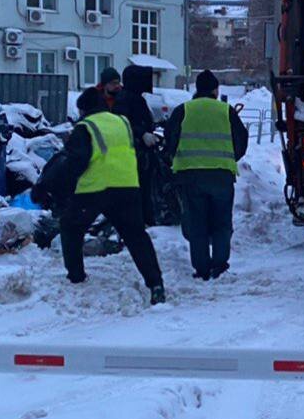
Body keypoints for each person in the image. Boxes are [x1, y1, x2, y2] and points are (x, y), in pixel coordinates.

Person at [32, 86, 166, 305]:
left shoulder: (86, 127)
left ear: (83, 110)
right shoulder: (122, 123)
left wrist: (52, 189)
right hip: (127, 188)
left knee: (70, 226)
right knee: (136, 237)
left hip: (93, 190)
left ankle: (76, 276)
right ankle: (156, 284)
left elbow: (74, 162)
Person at [164, 69, 248, 281]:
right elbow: (241, 139)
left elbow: (170, 138)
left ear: (197, 89)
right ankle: (219, 265)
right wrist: (229, 158)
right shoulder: (226, 111)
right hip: (221, 175)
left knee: (197, 223)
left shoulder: (184, 110)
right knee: (221, 222)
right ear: (215, 90)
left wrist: (178, 158)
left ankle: (201, 268)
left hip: (190, 176)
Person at [99, 65, 160, 224]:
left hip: (140, 152)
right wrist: (142, 134)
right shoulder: (124, 99)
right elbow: (122, 123)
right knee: (138, 189)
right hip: (132, 153)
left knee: (145, 188)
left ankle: (146, 218)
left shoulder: (134, 98)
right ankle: (140, 219)